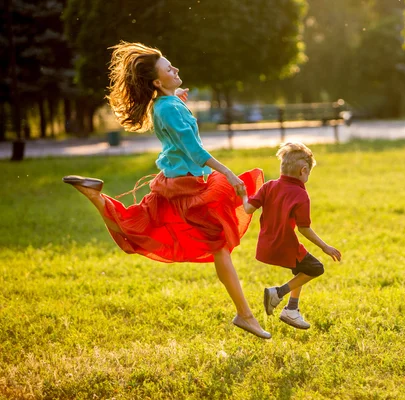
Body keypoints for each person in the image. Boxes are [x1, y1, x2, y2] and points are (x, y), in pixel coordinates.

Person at [62, 42, 271, 339]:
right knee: (217, 244)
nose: (176, 69)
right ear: (158, 82)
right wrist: (227, 172)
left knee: (138, 227)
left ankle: (95, 195)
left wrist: (177, 98)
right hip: (186, 188)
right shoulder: (169, 107)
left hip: (178, 183)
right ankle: (245, 315)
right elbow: (195, 150)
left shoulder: (164, 104)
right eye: (169, 69)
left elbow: (176, 123)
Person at [240, 142, 341, 329]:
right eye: (309, 173)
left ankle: (291, 310)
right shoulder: (301, 195)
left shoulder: (269, 186)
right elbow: (304, 228)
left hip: (266, 245)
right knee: (316, 268)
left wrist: (243, 194)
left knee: (301, 269)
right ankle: (278, 293)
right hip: (284, 245)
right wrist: (325, 246)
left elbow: (247, 208)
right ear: (303, 170)